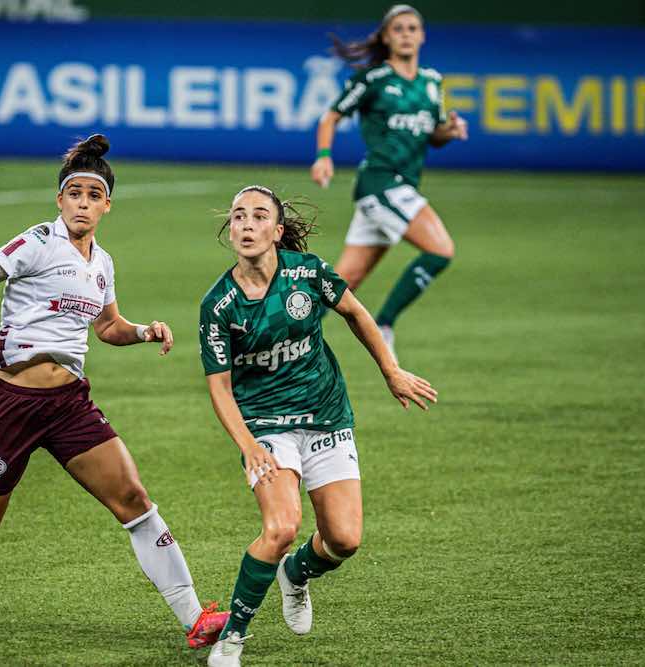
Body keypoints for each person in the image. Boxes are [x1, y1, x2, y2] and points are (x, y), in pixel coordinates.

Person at [0, 134, 230, 647]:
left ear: (107, 204)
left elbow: (107, 327)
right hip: (7, 404)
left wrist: (143, 331)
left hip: (69, 406)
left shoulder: (103, 264)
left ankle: (195, 617)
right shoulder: (38, 242)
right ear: (59, 200)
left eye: (93, 195)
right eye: (74, 194)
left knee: (133, 498)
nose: (82, 204)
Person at [200, 186, 437, 666]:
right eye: (239, 217)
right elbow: (221, 388)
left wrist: (391, 371)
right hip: (266, 424)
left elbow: (355, 312)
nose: (246, 225)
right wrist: (247, 444)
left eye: (258, 216)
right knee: (282, 525)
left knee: (345, 541)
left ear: (277, 231)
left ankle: (296, 574)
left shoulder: (308, 274)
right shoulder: (219, 304)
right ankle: (233, 637)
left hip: (326, 413)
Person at [310, 4, 468, 358]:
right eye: (398, 29)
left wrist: (450, 131)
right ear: (385, 37)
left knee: (343, 283)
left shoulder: (432, 82)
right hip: (382, 183)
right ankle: (384, 324)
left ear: (422, 35)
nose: (406, 34)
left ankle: (287, 339)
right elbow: (330, 117)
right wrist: (323, 158)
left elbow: (433, 135)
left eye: (413, 28)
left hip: (402, 188)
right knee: (441, 250)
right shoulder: (374, 80)